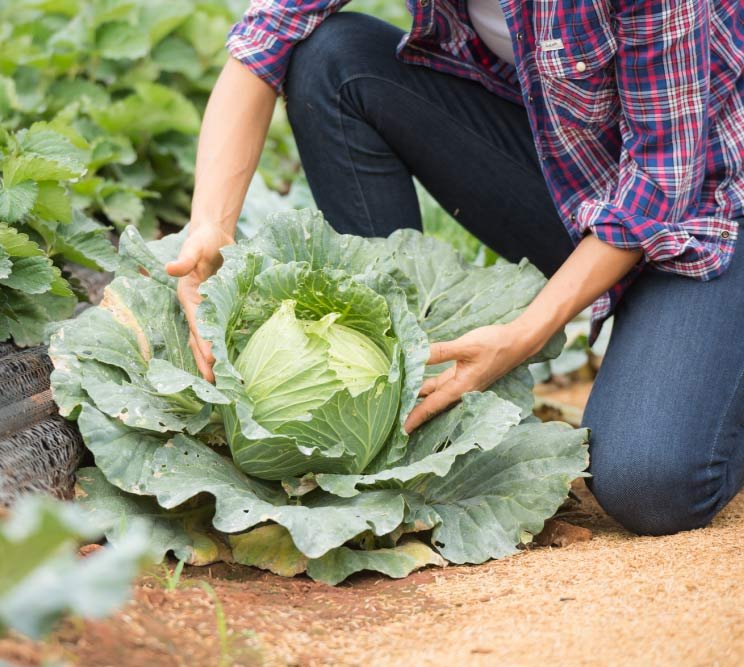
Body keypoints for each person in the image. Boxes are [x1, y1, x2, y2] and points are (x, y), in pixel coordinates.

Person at [165, 0, 744, 536]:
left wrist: (521, 336)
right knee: (333, 59)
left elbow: (660, 185)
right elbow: (267, 36)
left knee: (652, 485)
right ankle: (407, 395)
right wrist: (211, 225)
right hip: (581, 178)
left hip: (712, 208)